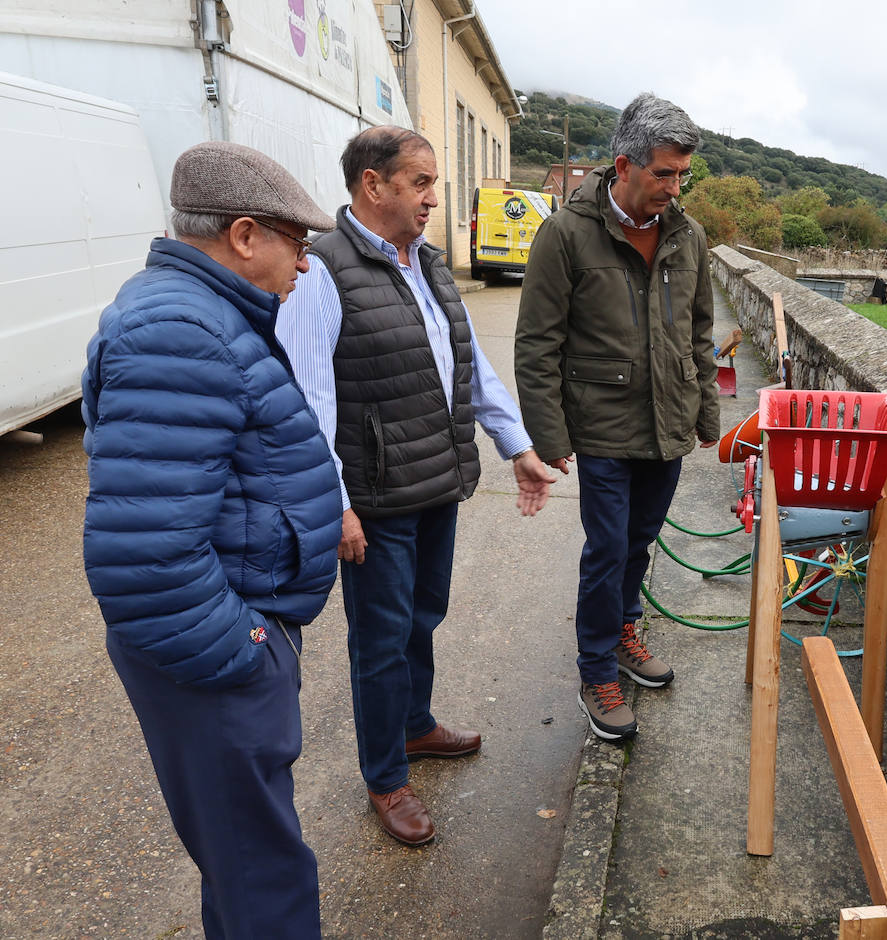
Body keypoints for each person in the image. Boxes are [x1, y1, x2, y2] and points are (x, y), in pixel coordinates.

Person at [82, 141, 342, 939]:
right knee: (260, 870)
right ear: (242, 236)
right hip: (215, 656)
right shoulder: (180, 328)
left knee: (244, 861)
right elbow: (142, 555)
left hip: (228, 640)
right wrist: (246, 650)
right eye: (297, 244)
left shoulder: (197, 309)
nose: (305, 266)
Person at [275, 125, 556, 847]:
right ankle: (386, 776)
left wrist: (515, 444)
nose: (435, 197)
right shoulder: (323, 271)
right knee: (381, 640)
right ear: (374, 185)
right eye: (421, 182)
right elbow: (307, 402)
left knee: (422, 615)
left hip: (435, 478)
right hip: (374, 494)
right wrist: (334, 503)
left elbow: (466, 365)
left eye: (433, 183)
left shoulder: (426, 262)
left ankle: (416, 725)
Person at [514, 93, 720, 741]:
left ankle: (624, 628)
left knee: (638, 542)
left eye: (682, 174)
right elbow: (537, 343)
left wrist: (706, 412)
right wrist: (548, 435)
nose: (674, 187)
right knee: (606, 549)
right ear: (624, 164)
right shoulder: (566, 234)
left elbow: (699, 330)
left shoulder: (689, 236)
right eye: (664, 173)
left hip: (669, 423)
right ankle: (596, 667)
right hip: (601, 426)